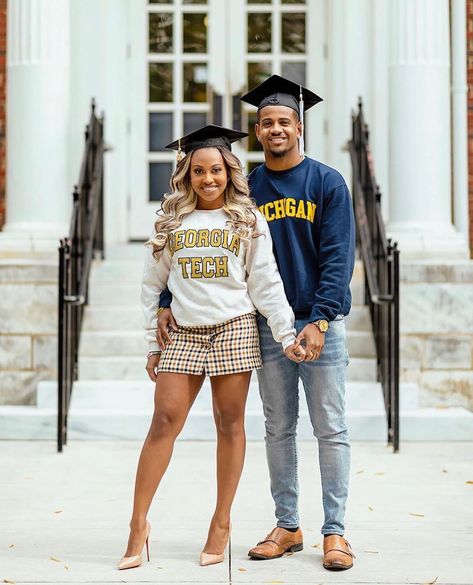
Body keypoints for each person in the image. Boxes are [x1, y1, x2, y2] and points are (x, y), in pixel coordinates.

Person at [157, 76, 356, 571]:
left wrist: (321, 320)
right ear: (259, 130)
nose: (275, 129)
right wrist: (165, 297)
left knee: (330, 428)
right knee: (278, 428)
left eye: (284, 121)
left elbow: (338, 258)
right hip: (265, 326)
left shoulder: (327, 183)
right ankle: (287, 525)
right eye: (267, 123)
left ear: (299, 125)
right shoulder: (247, 189)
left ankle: (335, 532)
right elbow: (197, 243)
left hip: (318, 325)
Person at [118, 124, 304, 571]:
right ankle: (137, 524)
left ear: (229, 172)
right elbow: (152, 286)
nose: (208, 179)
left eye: (216, 170)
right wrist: (151, 345)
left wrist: (285, 333)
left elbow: (265, 282)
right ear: (187, 175)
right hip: (182, 332)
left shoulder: (248, 220)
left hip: (233, 328)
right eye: (199, 171)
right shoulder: (172, 219)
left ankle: (221, 522)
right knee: (164, 420)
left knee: (230, 423)